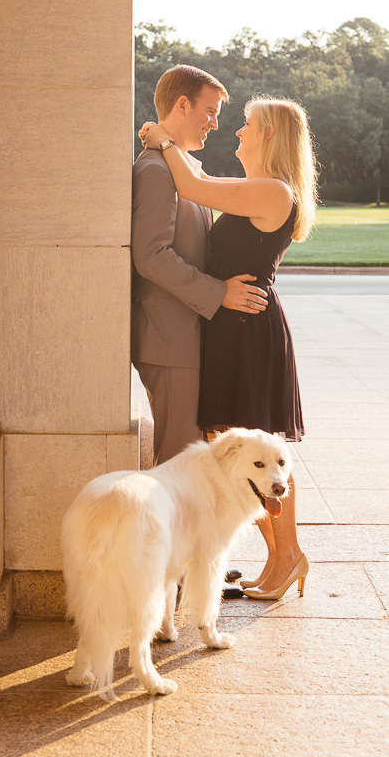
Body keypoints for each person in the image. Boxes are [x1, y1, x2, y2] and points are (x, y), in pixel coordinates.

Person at [140, 95, 318, 599]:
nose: (237, 133)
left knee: (257, 452)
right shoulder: (254, 189)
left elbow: (192, 185)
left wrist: (165, 139)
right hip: (232, 328)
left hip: (249, 334)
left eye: (247, 125)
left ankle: (287, 557)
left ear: (271, 137)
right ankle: (284, 557)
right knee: (242, 451)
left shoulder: (275, 192)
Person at [132, 65, 269, 598]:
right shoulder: (154, 171)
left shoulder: (179, 166)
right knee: (175, 465)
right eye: (210, 110)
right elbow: (150, 256)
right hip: (170, 340)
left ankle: (186, 568)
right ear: (181, 105)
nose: (215, 122)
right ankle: (164, 589)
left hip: (189, 337)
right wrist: (218, 294)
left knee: (188, 462)